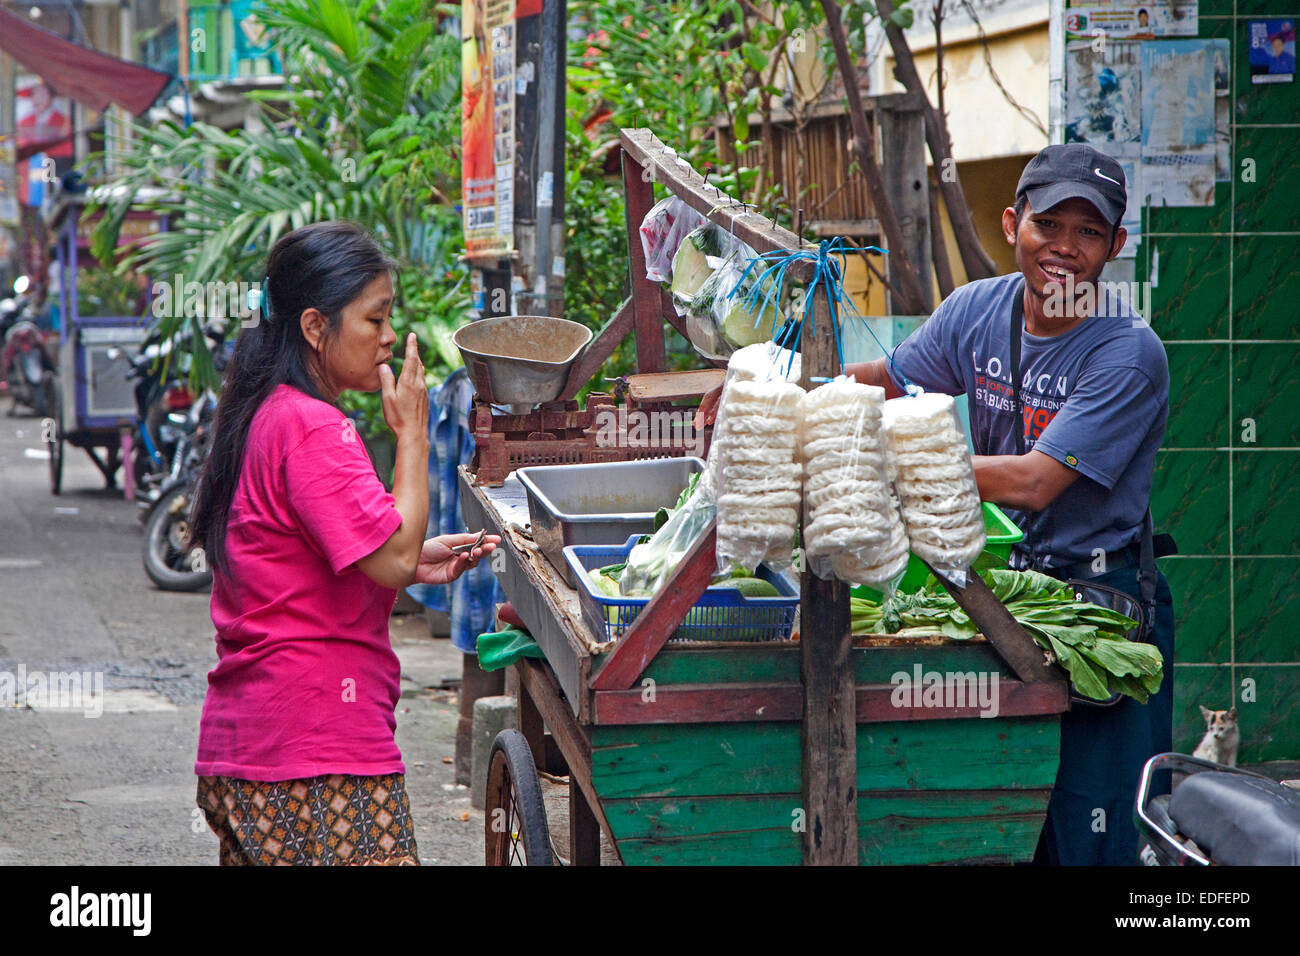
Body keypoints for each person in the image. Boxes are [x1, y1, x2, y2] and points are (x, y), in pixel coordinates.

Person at [696, 143, 1174, 865]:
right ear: (1013, 223)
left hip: (1094, 603)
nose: (1065, 250)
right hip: (998, 586)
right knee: (999, 818)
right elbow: (886, 379)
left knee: (1088, 835)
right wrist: (771, 392)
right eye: (1050, 225)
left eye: (1089, 233)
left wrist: (868, 462)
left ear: (1117, 245)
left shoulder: (1126, 352)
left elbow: (1031, 482)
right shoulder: (977, 311)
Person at [189, 221, 499, 866]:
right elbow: (388, 558)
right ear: (314, 327)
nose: (389, 337)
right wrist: (411, 432)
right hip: (316, 748)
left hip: (253, 748)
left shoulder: (268, 413)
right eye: (374, 318)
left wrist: (414, 559)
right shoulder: (311, 426)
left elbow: (311, 563)